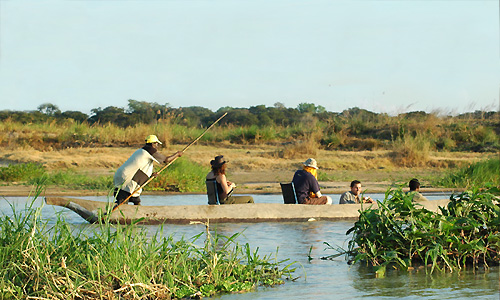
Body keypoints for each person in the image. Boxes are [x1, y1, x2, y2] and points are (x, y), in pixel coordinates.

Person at [113, 135, 182, 206]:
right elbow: (166, 160)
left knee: (135, 199)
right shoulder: (149, 150)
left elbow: (140, 167)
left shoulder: (142, 151)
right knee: (122, 201)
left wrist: (151, 175)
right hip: (127, 178)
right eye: (157, 144)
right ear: (153, 144)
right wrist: (177, 154)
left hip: (123, 175)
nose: (157, 146)